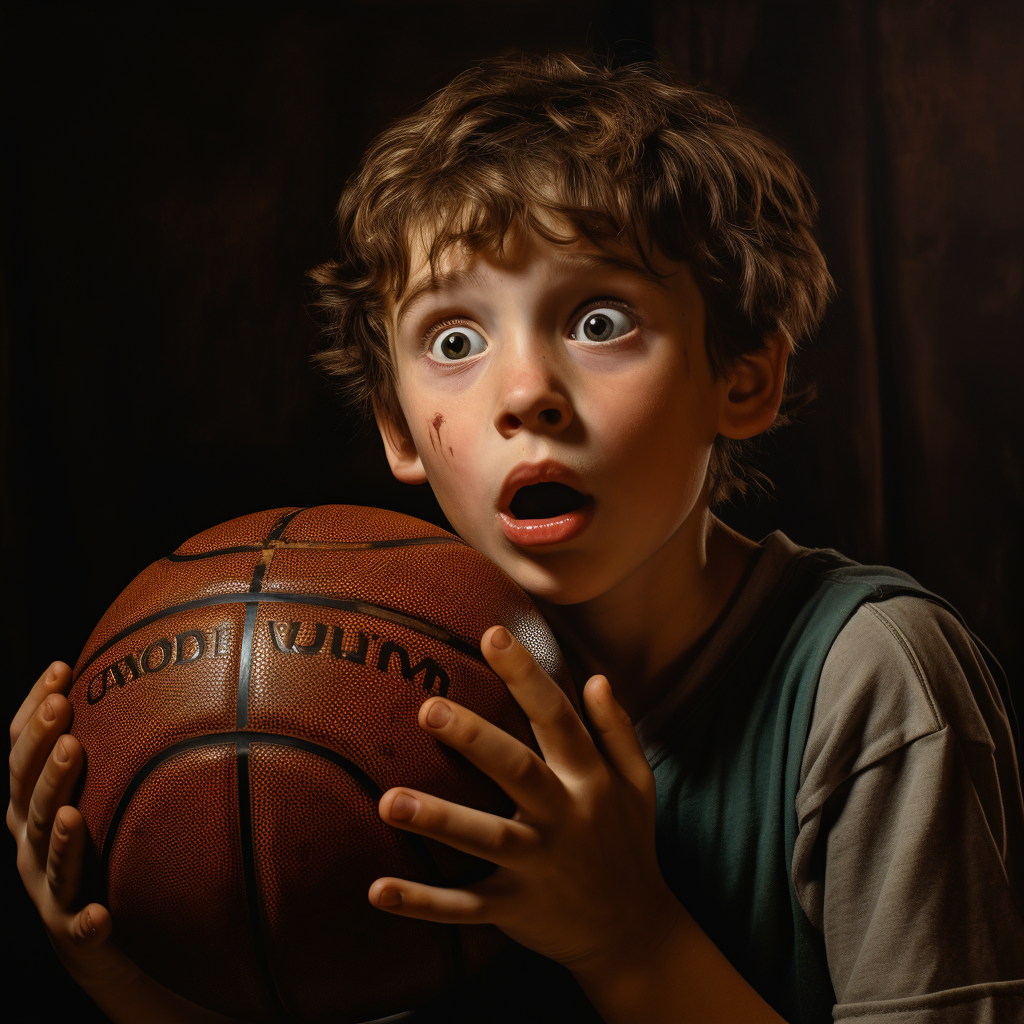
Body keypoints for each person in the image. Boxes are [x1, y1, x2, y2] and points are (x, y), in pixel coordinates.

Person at [9, 55, 1023, 1024]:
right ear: (398, 428)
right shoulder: (363, 702)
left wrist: (626, 938)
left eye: (598, 320)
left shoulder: (870, 678)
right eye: (455, 341)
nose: (525, 392)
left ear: (742, 377)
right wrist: (117, 967)